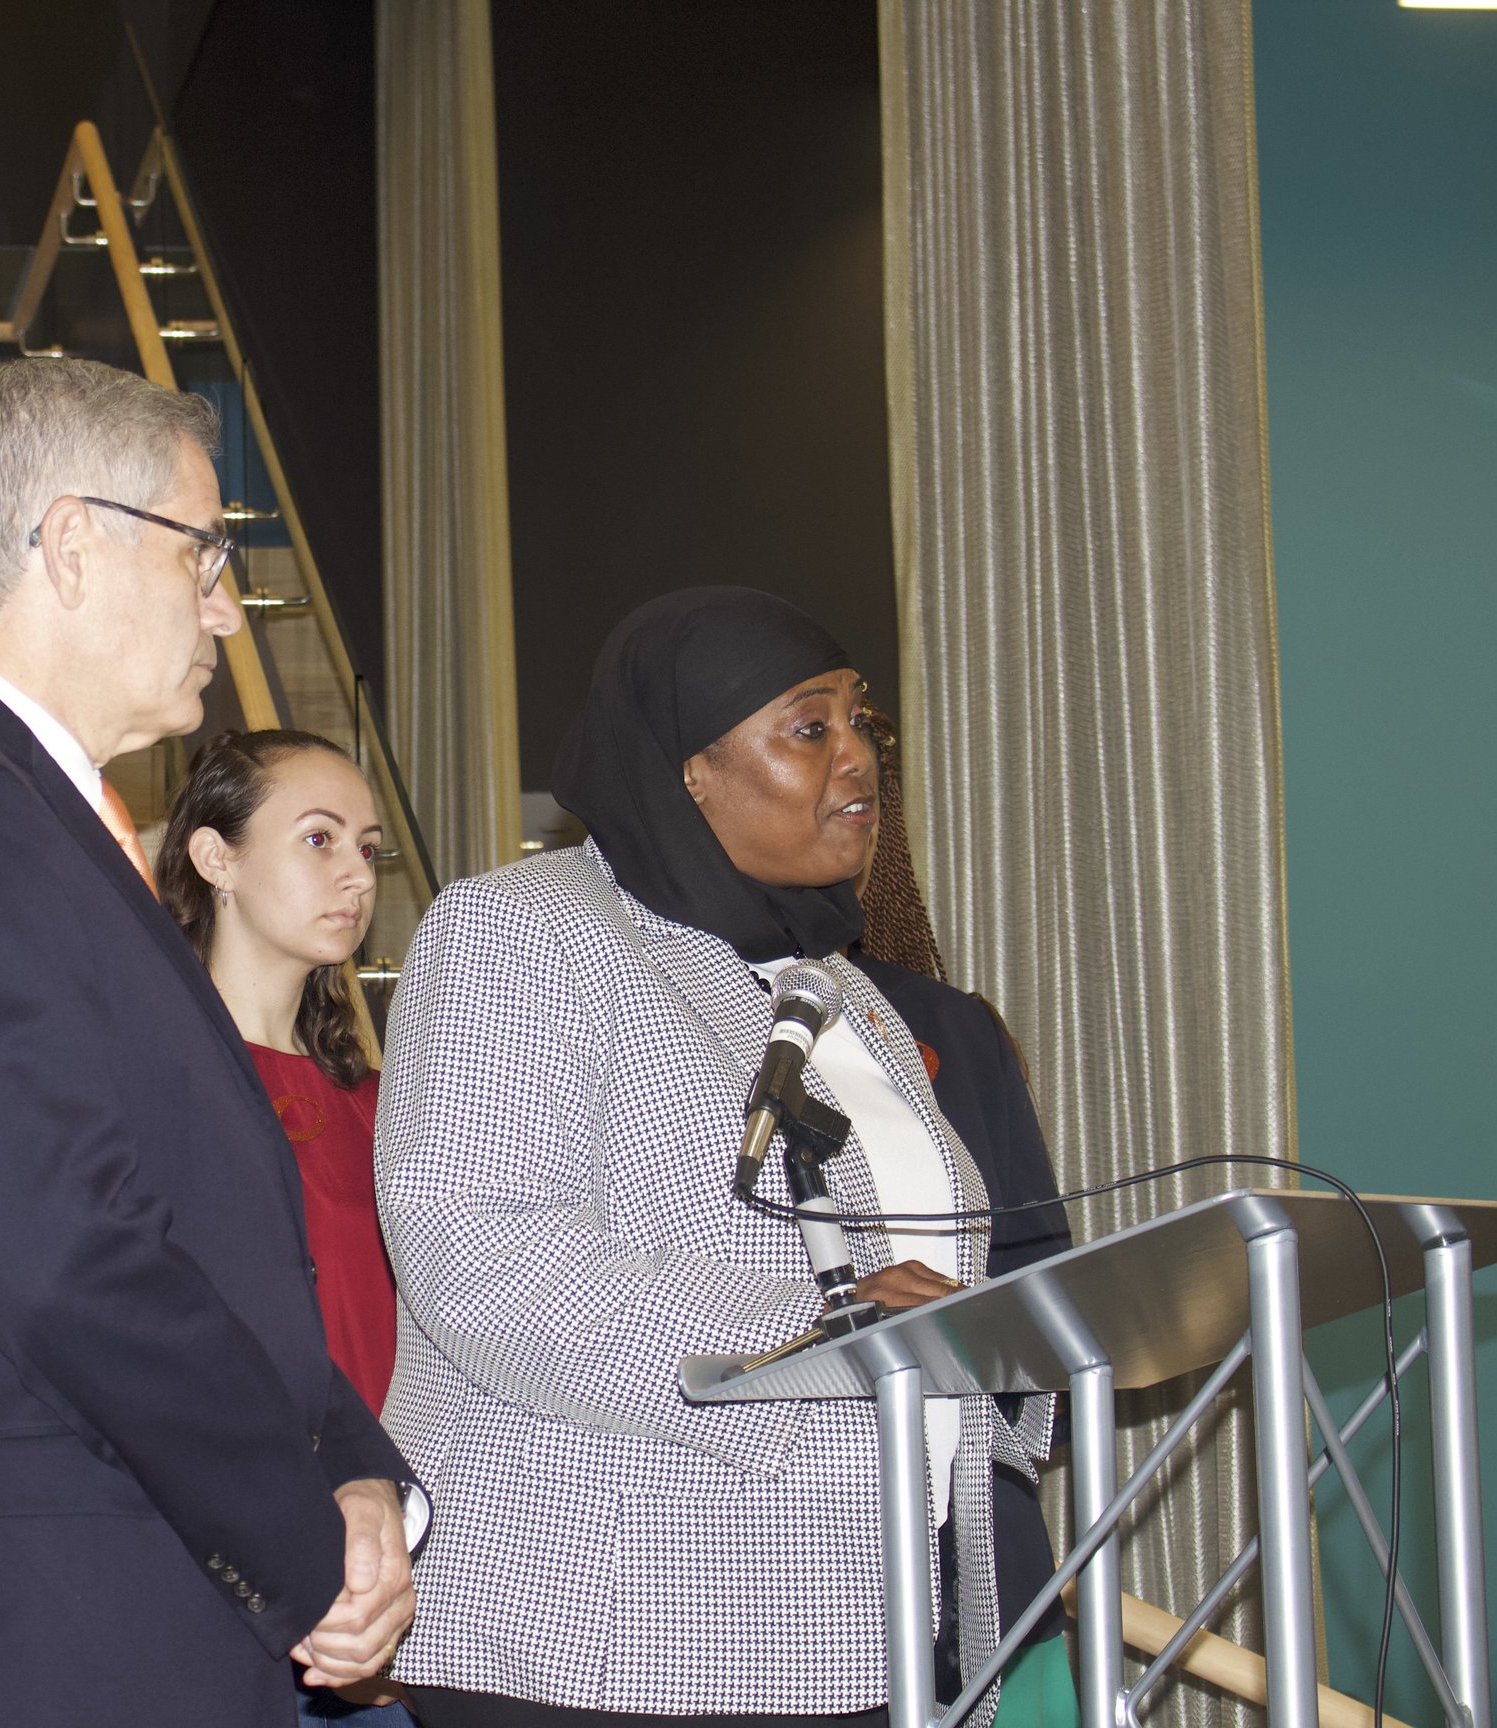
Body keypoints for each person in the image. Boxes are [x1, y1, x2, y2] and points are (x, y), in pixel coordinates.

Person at [0, 357, 420, 1728]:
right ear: (71, 542)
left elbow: (200, 1238)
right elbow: (71, 1262)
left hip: (111, 1612)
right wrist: (309, 1551)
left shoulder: (17, 816)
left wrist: (353, 1467)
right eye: (204, 553)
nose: (225, 606)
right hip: (45, 1636)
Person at [374, 586, 1050, 1728]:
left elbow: (932, 1276)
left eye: (862, 723)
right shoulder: (522, 929)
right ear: (691, 770)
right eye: (810, 727)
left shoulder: (837, 989)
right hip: (611, 1623)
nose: (860, 760)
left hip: (867, 1619)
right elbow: (481, 1257)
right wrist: (814, 1329)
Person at [159, 728, 414, 1728]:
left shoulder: (386, 1103)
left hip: (389, 1552)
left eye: (368, 846)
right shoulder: (162, 1088)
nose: (355, 873)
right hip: (234, 1571)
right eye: (318, 840)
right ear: (216, 858)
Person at [852, 707, 1076, 1724]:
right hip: (760, 1583)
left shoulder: (951, 1027)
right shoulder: (661, 1006)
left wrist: (977, 1332)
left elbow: (1047, 1308)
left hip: (990, 1569)